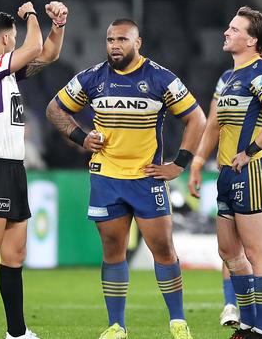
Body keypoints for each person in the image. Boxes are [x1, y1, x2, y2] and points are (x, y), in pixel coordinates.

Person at [46, 18, 206, 339]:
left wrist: (179, 164)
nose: (114, 46)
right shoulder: (92, 78)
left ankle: (177, 321)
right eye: (110, 40)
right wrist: (80, 137)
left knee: (162, 248)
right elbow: (54, 109)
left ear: (138, 43)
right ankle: (117, 325)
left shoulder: (160, 78)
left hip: (146, 177)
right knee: (113, 250)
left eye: (122, 40)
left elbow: (197, 119)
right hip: (106, 177)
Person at [0, 1, 68, 339]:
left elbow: (46, 53)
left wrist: (57, 25)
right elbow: (33, 46)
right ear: (5, 40)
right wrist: (32, 14)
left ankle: (16, 332)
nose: (18, 42)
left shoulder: (4, 71)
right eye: (14, 37)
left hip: (14, 168)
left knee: (15, 254)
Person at [188, 6, 262, 339]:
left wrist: (251, 151)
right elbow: (216, 123)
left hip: (253, 172)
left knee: (257, 251)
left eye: (234, 29)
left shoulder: (260, 73)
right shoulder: (232, 76)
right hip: (229, 174)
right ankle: (246, 325)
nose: (226, 32)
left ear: (251, 40)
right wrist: (199, 162)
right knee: (228, 252)